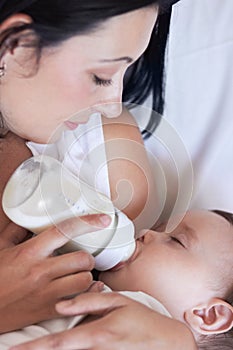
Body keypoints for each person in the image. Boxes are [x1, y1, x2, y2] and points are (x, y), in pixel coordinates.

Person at [0, 1, 198, 350]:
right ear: (16, 43)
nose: (113, 103)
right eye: (101, 76)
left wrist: (181, 339)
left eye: (128, 71)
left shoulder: (105, 151)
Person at [7, 209, 233, 349]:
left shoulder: (149, 325)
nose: (146, 232)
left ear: (209, 315)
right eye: (159, 228)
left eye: (176, 240)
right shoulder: (90, 288)